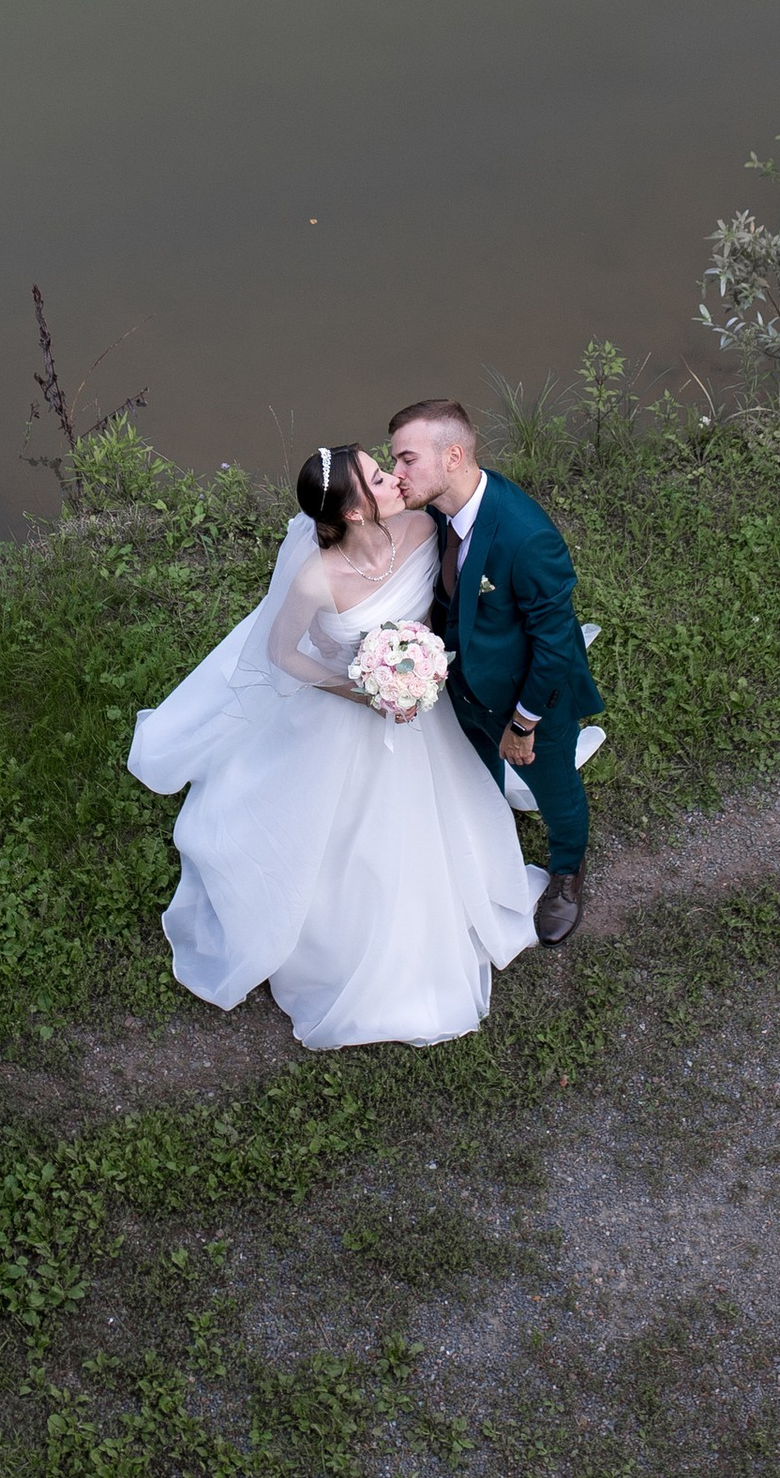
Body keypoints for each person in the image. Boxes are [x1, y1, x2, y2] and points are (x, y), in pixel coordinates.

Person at [129, 442, 546, 1049]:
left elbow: (448, 600)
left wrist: (426, 665)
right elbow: (281, 652)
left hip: (424, 700)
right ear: (353, 513)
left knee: (444, 805)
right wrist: (361, 690)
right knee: (348, 833)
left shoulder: (425, 528)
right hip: (355, 707)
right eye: (380, 478)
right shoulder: (316, 578)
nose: (396, 479)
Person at [385, 398, 605, 946]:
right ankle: (485, 854)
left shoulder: (526, 536)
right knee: (478, 778)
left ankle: (567, 871)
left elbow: (554, 646)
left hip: (526, 699)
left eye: (407, 459)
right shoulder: (441, 511)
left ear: (453, 455)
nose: (397, 473)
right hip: (462, 691)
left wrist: (524, 725)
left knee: (555, 789)